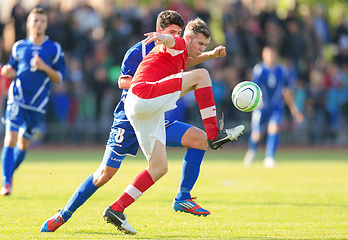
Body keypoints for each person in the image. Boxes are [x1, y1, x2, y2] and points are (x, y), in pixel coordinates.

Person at [40, 10, 240, 234]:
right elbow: (123, 81)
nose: (177, 35)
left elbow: (187, 57)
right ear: (159, 32)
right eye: (172, 32)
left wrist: (210, 54)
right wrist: (159, 65)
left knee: (183, 150)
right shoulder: (142, 49)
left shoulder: (179, 49)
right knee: (104, 174)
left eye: (179, 32)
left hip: (152, 110)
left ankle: (174, 198)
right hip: (131, 114)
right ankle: (63, 214)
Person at [102, 17, 245, 234]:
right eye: (200, 44)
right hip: (144, 95)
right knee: (203, 75)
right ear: (187, 38)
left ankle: (117, 209)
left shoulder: (181, 54)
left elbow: (188, 59)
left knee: (160, 167)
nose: (201, 49)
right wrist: (162, 37)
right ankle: (214, 134)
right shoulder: (177, 42)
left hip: (139, 106)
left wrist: (210, 54)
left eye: (205, 46)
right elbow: (172, 41)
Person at [0, 8, 66, 196]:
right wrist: (7, 71)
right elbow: (13, 68)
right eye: (35, 20)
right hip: (17, 98)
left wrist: (44, 67)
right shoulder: (19, 46)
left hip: (37, 105)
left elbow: (60, 78)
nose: (38, 24)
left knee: (23, 144)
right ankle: (6, 183)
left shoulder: (54, 48)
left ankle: (9, 174)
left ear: (46, 25)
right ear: (28, 23)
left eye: (42, 21)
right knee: (10, 138)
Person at [243, 46, 303, 168]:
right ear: (263, 56)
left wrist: (293, 109)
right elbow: (255, 89)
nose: (271, 56)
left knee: (274, 128)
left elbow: (286, 91)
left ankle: (269, 157)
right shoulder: (259, 70)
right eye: (268, 54)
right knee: (257, 134)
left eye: (273, 54)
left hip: (276, 107)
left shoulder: (282, 71)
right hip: (261, 107)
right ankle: (252, 151)